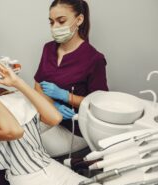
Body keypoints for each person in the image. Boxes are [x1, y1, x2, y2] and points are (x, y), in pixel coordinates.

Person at [0, 51, 103, 185]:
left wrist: (18, 83)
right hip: (26, 181)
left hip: (54, 168)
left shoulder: (15, 98)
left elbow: (55, 118)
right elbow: (13, 131)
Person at [34, 0, 108, 157]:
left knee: (21, 143)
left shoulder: (94, 59)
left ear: (79, 20)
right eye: (51, 22)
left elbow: (99, 104)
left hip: (75, 130)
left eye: (61, 21)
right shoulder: (48, 48)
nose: (55, 27)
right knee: (8, 133)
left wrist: (67, 97)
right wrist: (53, 105)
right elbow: (38, 86)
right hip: (48, 117)